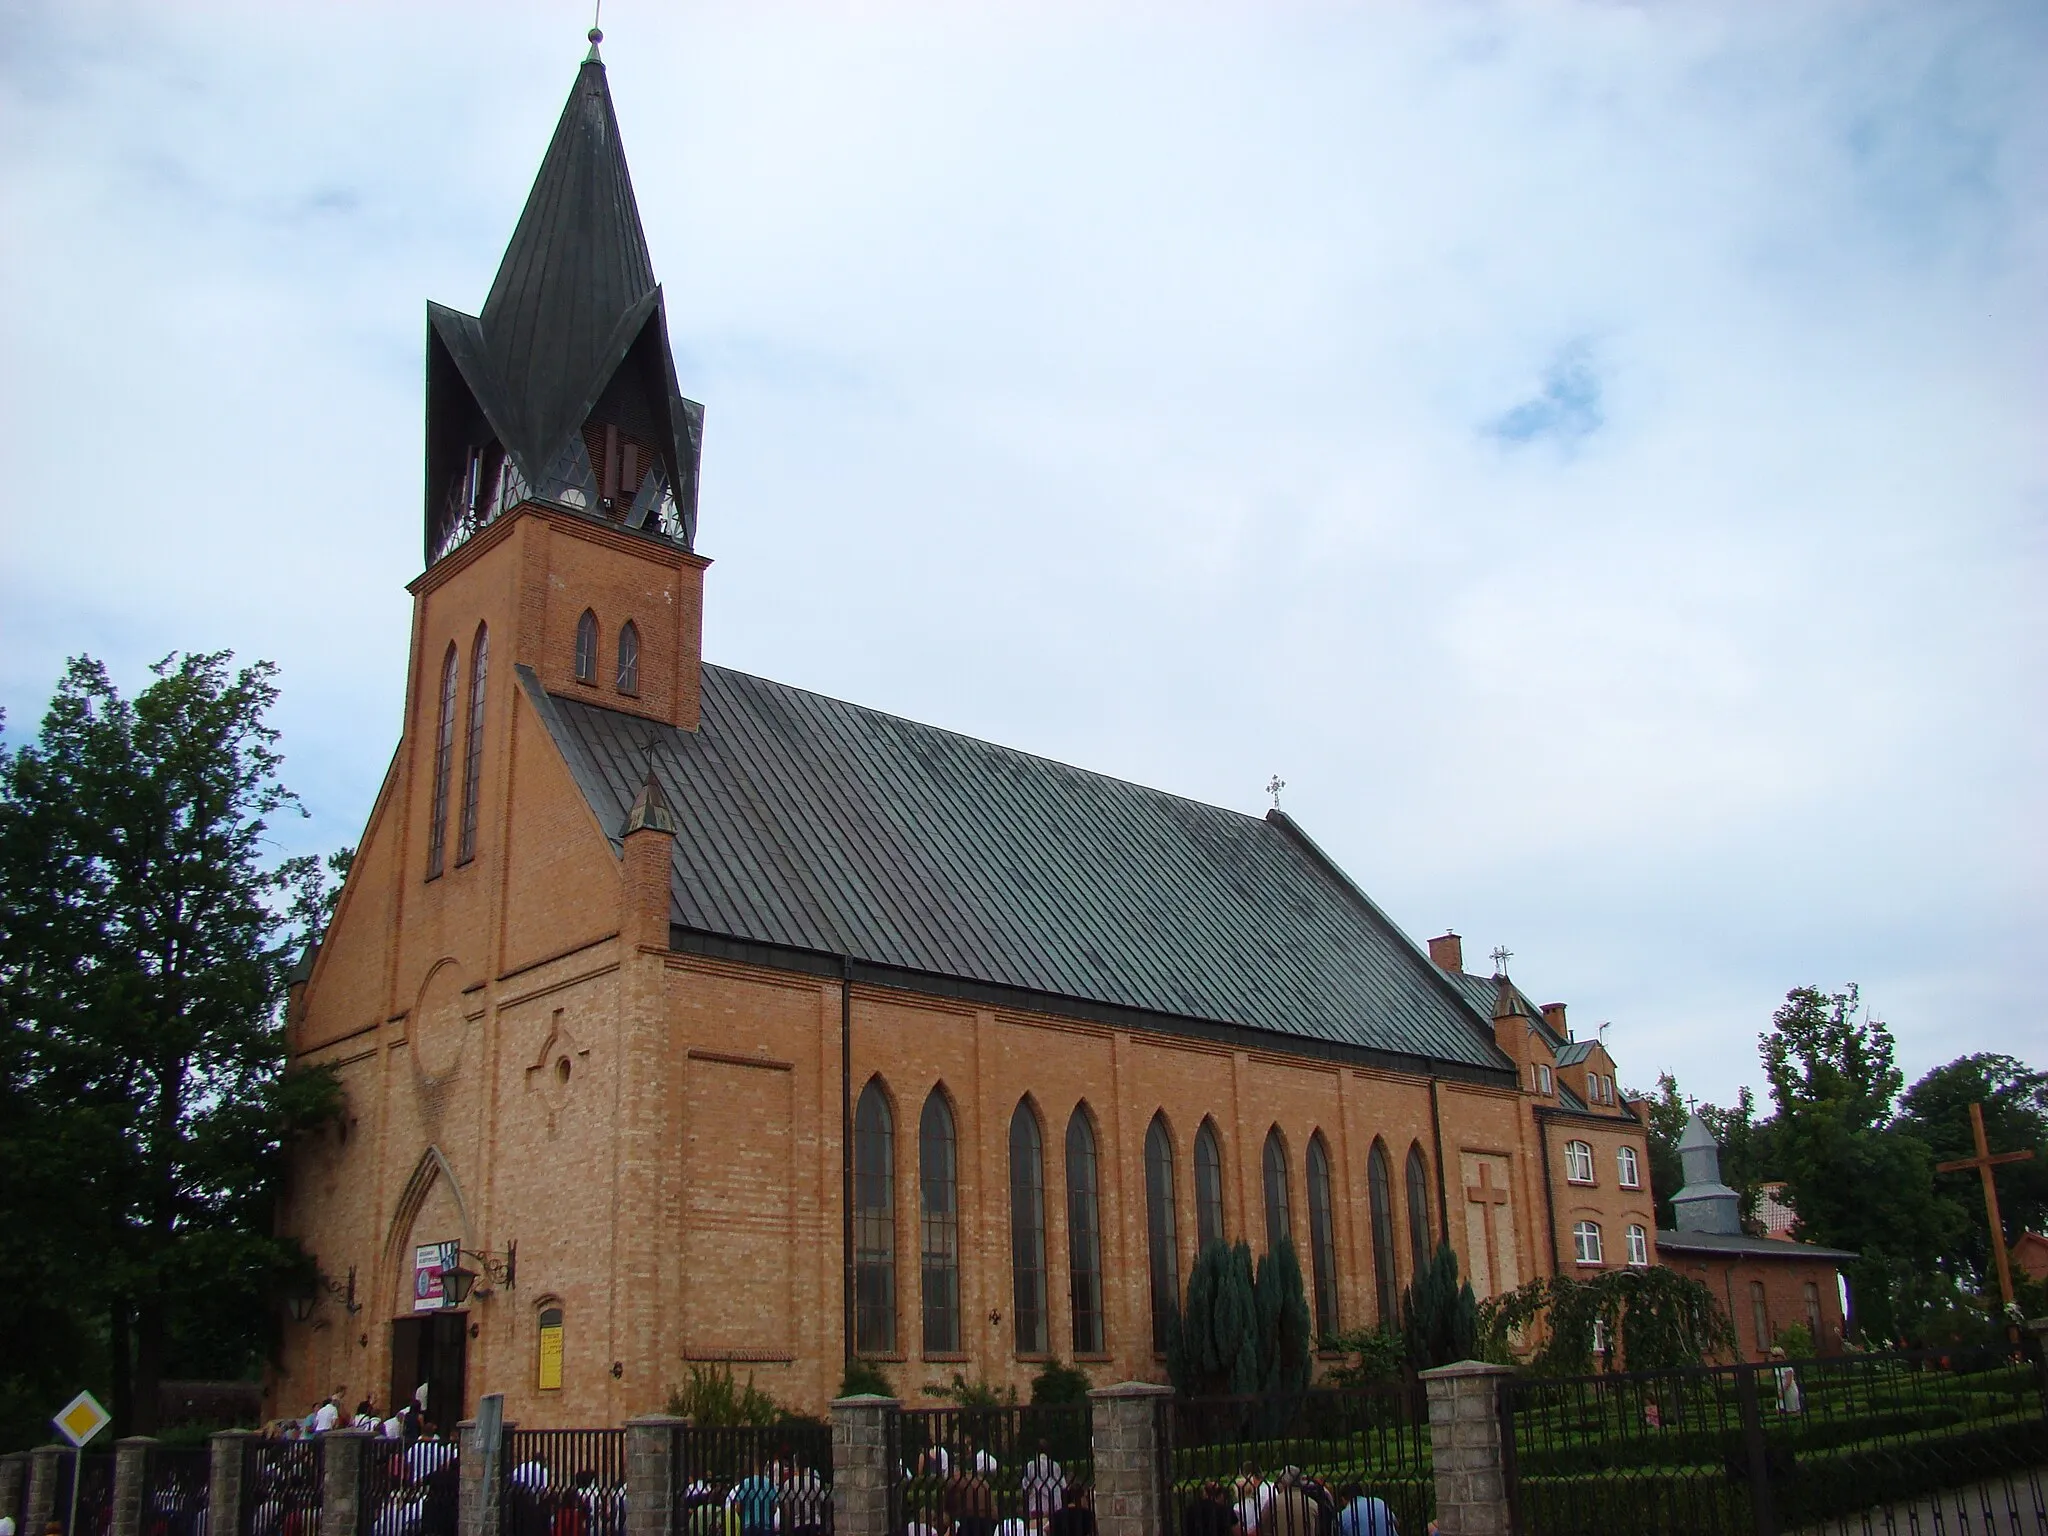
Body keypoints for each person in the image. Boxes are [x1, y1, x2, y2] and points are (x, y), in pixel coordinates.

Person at [1260, 1469, 1324, 1536]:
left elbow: (1263, 1529)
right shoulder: (1312, 1504)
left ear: (1283, 1482)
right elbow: (1318, 1530)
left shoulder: (1272, 1503)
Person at [942, 1461, 998, 1536]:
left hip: (971, 1521)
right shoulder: (979, 1479)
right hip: (991, 1521)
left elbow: (947, 1515)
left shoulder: (952, 1481)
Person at [1021, 1443, 1063, 1526]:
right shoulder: (1055, 1465)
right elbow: (1063, 1485)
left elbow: (1025, 1484)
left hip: (1036, 1504)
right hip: (1053, 1504)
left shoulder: (1031, 1465)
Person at [1770, 1346, 1804, 1414]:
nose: (1774, 1358)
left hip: (1788, 1390)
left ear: (1781, 1356)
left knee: (1791, 1410)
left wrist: (1782, 1391)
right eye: (1773, 1356)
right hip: (1780, 1389)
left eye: (1776, 1356)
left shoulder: (1787, 1366)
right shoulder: (1776, 1367)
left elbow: (1789, 1381)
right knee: (1779, 1409)